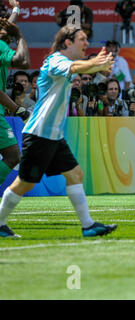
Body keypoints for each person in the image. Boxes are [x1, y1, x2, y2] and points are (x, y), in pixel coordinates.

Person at [0, 26, 117, 238]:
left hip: (53, 135)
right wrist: (94, 64)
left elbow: (77, 67)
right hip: (39, 134)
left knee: (75, 174)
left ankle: (88, 225)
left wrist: (95, 66)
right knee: (25, 183)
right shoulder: (55, 61)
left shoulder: (67, 62)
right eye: (82, 39)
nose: (86, 43)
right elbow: (73, 68)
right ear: (67, 43)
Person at [0, 18, 30, 190]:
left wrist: (16, 10)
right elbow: (23, 62)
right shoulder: (1, 46)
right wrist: (18, 35)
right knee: (12, 156)